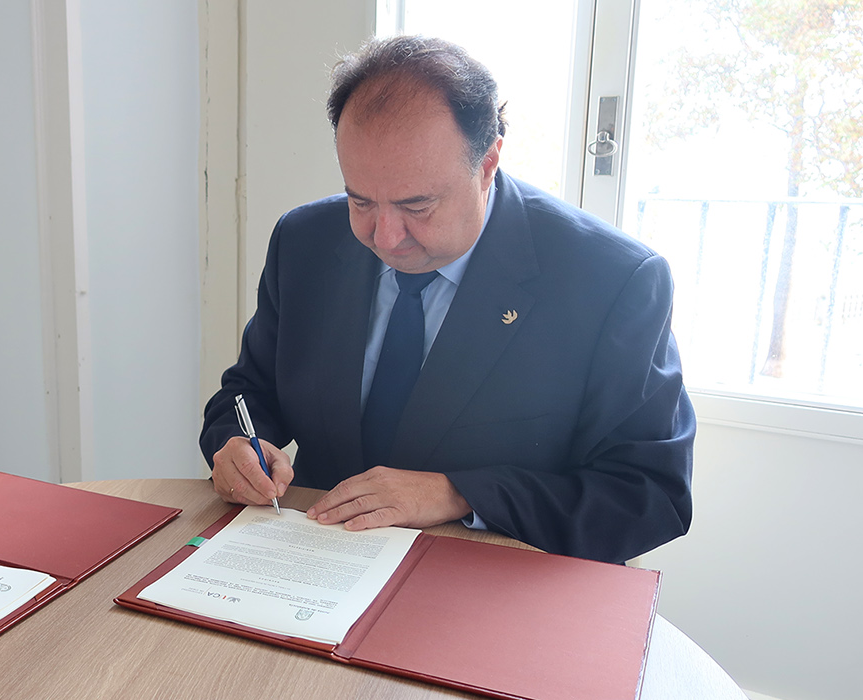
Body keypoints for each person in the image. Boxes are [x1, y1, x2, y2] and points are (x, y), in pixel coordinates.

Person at [200, 36, 695, 564]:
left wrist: (458, 494)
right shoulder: (305, 241)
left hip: (495, 582)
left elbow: (648, 496)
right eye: (360, 200)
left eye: (417, 206)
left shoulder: (613, 280)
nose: (385, 237)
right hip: (316, 567)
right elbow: (250, 391)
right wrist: (236, 445)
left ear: (488, 163)